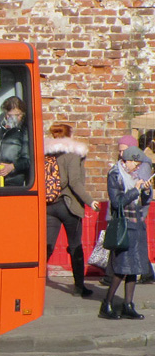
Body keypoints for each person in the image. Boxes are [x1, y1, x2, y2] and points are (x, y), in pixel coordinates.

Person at [43, 124, 99, 298]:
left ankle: (33, 281)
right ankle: (79, 287)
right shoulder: (72, 154)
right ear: (70, 136)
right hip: (69, 206)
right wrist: (90, 201)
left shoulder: (46, 153)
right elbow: (74, 182)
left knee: (47, 247)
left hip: (50, 205)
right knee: (75, 246)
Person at [100, 146, 153, 320]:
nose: (138, 168)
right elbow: (117, 202)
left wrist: (145, 191)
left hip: (137, 224)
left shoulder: (135, 176)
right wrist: (135, 190)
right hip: (124, 226)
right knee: (121, 267)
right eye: (135, 164)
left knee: (134, 267)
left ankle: (128, 305)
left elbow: (143, 201)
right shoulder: (115, 175)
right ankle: (106, 304)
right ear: (127, 161)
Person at [0, 96, 31, 187]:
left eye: (18, 115)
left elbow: (27, 159)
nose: (14, 118)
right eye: (10, 115)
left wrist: (12, 167)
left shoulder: (25, 132)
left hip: (12, 182)